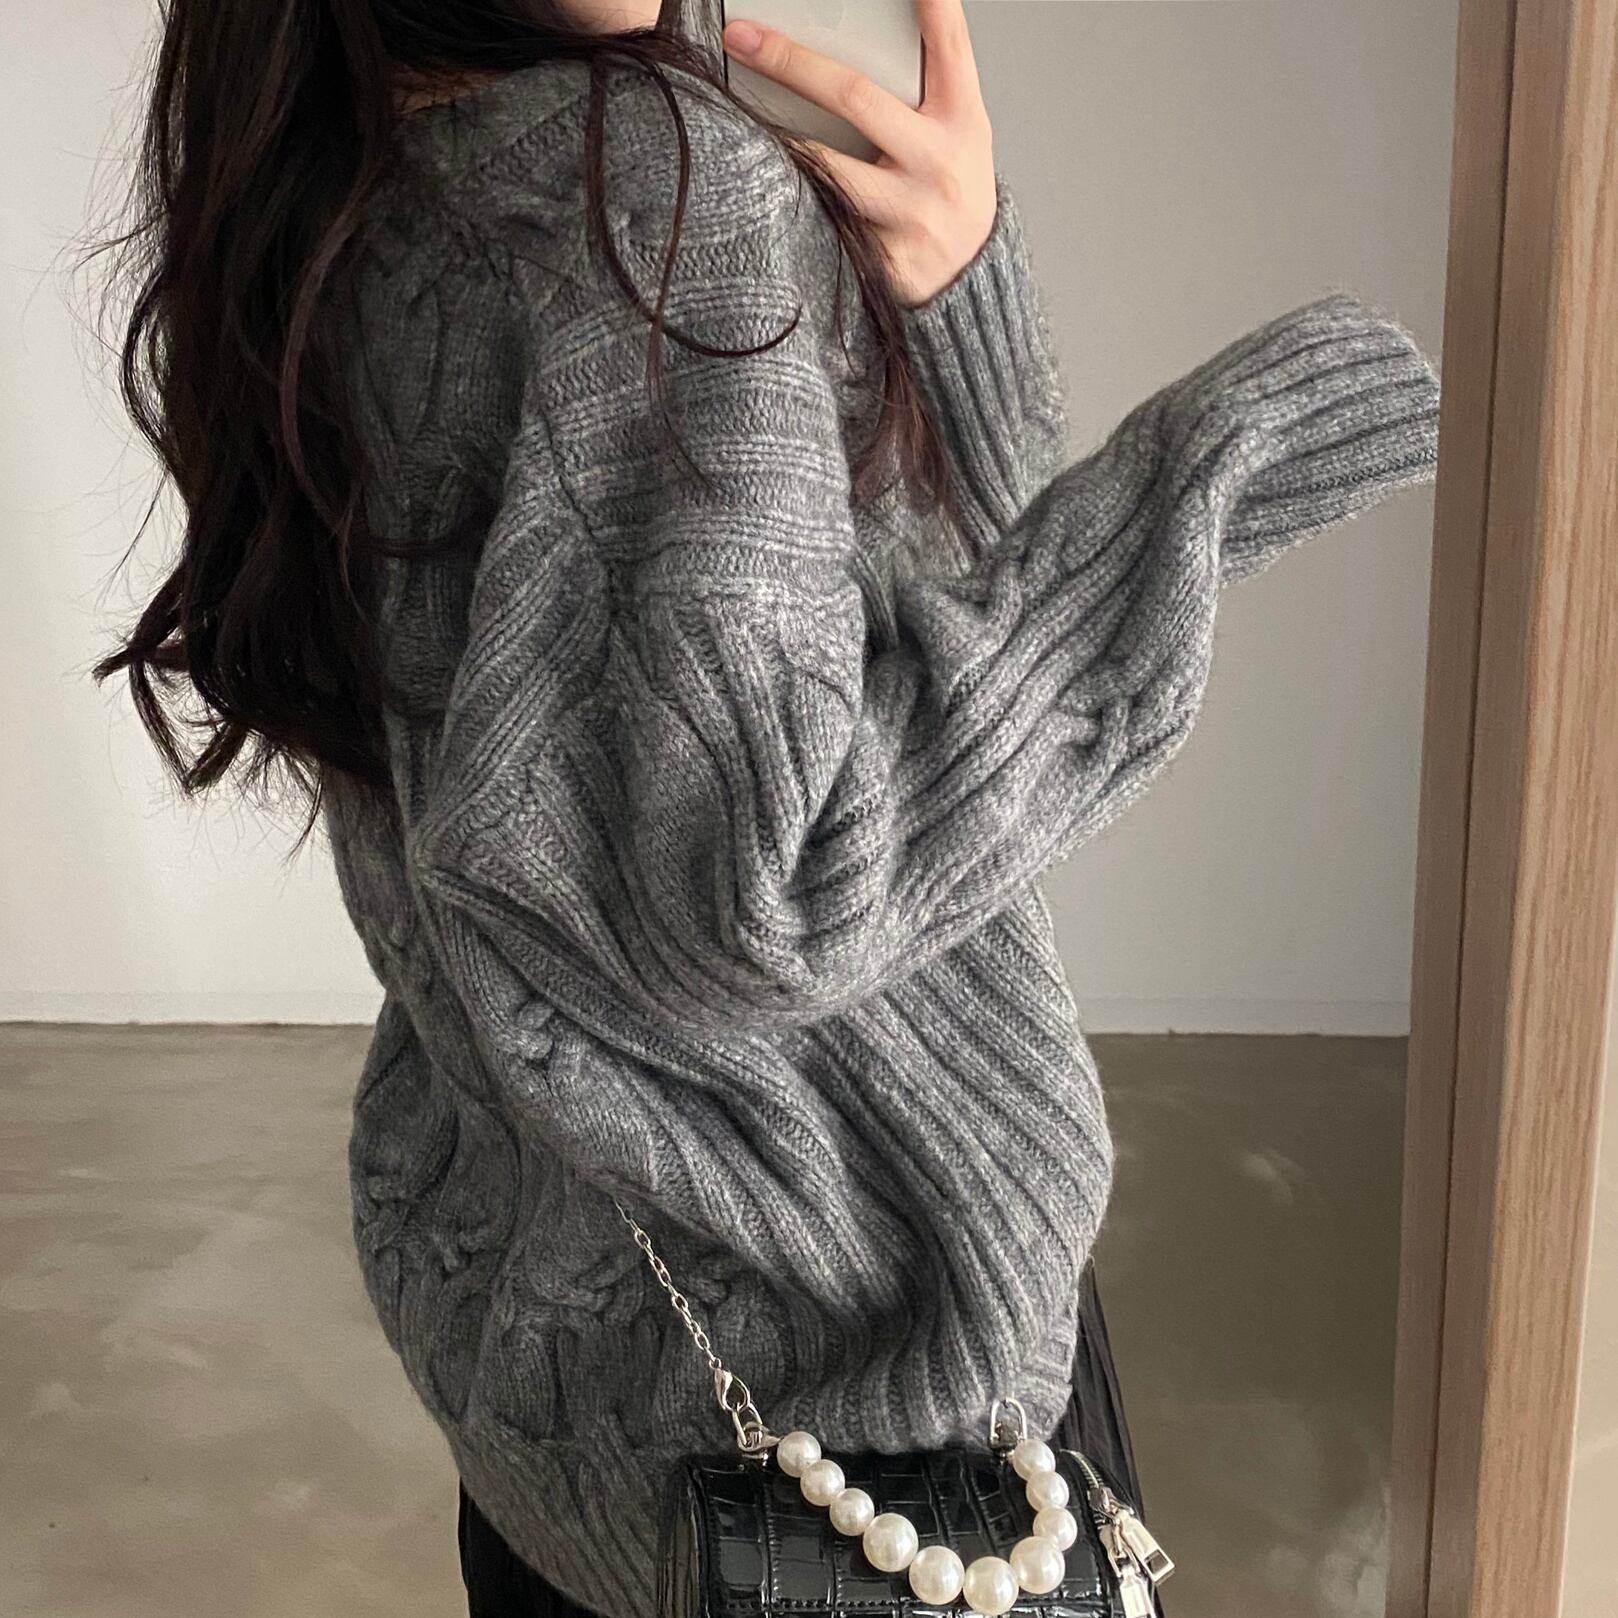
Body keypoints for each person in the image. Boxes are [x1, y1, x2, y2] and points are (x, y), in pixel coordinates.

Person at [92, 0, 1440, 1613]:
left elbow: (881, 636)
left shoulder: (333, 177)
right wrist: (1225, 459)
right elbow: (770, 884)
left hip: (564, 1383)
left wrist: (953, 302)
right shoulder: (652, 198)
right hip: (859, 1406)